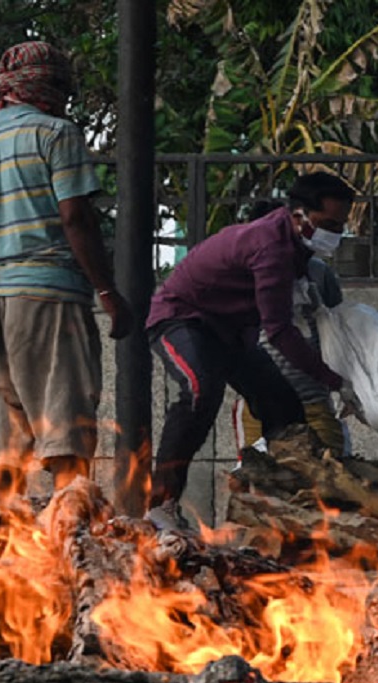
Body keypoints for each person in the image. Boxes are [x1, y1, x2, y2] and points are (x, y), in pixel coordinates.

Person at [0, 41, 135, 495]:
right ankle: (70, 544)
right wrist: (107, 291)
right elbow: (75, 216)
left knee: (2, 447)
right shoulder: (57, 134)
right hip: (51, 296)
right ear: (52, 85)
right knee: (66, 434)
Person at [145, 173, 358, 526]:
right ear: (298, 215)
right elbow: (279, 332)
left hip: (230, 334)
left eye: (340, 225)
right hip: (183, 320)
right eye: (327, 224)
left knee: (284, 407)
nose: (334, 233)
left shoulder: (297, 248)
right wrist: (335, 381)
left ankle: (283, 506)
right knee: (199, 392)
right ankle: (161, 504)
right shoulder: (270, 247)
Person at [234, 201, 348, 456]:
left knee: (331, 480)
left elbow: (337, 330)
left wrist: (344, 386)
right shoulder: (238, 275)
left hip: (314, 399)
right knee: (262, 484)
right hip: (259, 406)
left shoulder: (318, 273)